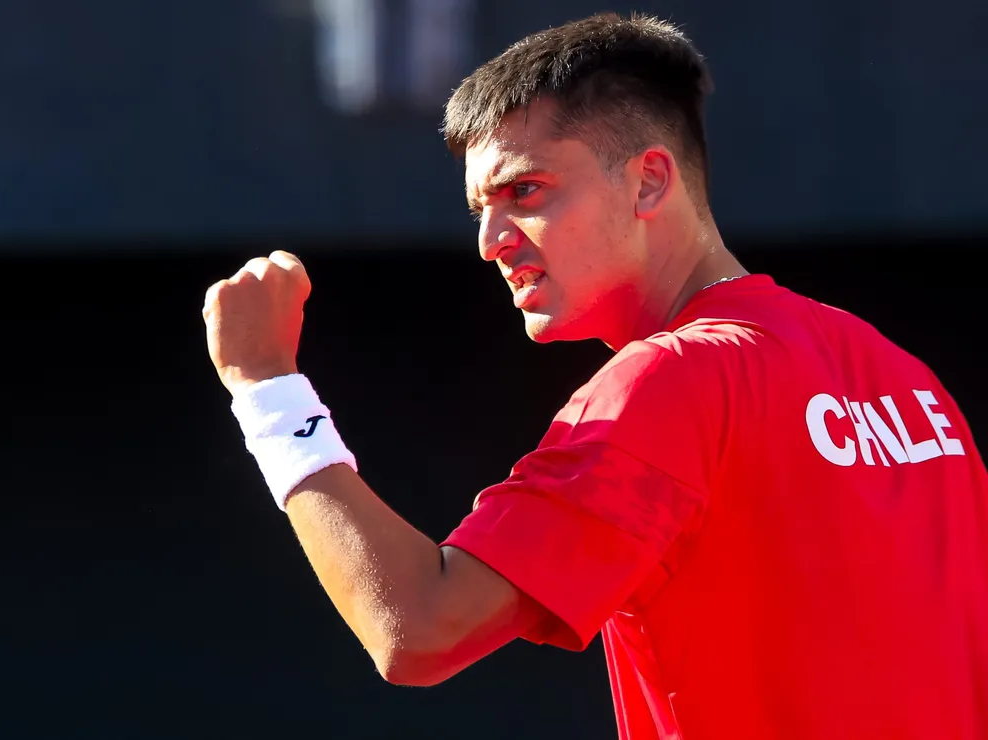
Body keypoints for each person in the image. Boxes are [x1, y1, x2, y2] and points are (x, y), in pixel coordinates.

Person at [202, 12, 988, 740]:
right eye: (480, 207)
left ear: (649, 180)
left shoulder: (671, 377)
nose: (490, 241)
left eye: (525, 191)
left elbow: (417, 629)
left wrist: (266, 387)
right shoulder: (906, 381)